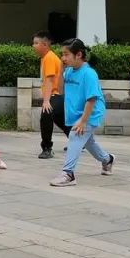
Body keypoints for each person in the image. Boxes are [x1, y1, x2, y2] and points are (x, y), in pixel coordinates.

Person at [50, 39, 114, 187]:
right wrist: (61, 69)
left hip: (91, 112)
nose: (63, 58)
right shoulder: (69, 71)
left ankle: (68, 174)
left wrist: (83, 121)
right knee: (88, 142)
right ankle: (107, 159)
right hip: (77, 113)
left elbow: (91, 99)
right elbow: (60, 90)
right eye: (62, 54)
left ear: (78, 54)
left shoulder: (89, 73)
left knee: (75, 135)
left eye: (66, 54)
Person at [31, 32, 68, 159]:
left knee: (46, 115)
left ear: (45, 44)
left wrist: (46, 101)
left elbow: (49, 80)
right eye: (33, 43)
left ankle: (47, 148)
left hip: (55, 95)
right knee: (60, 119)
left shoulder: (49, 58)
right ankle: (79, 140)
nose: (33, 46)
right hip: (57, 95)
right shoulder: (45, 57)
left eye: (36, 43)